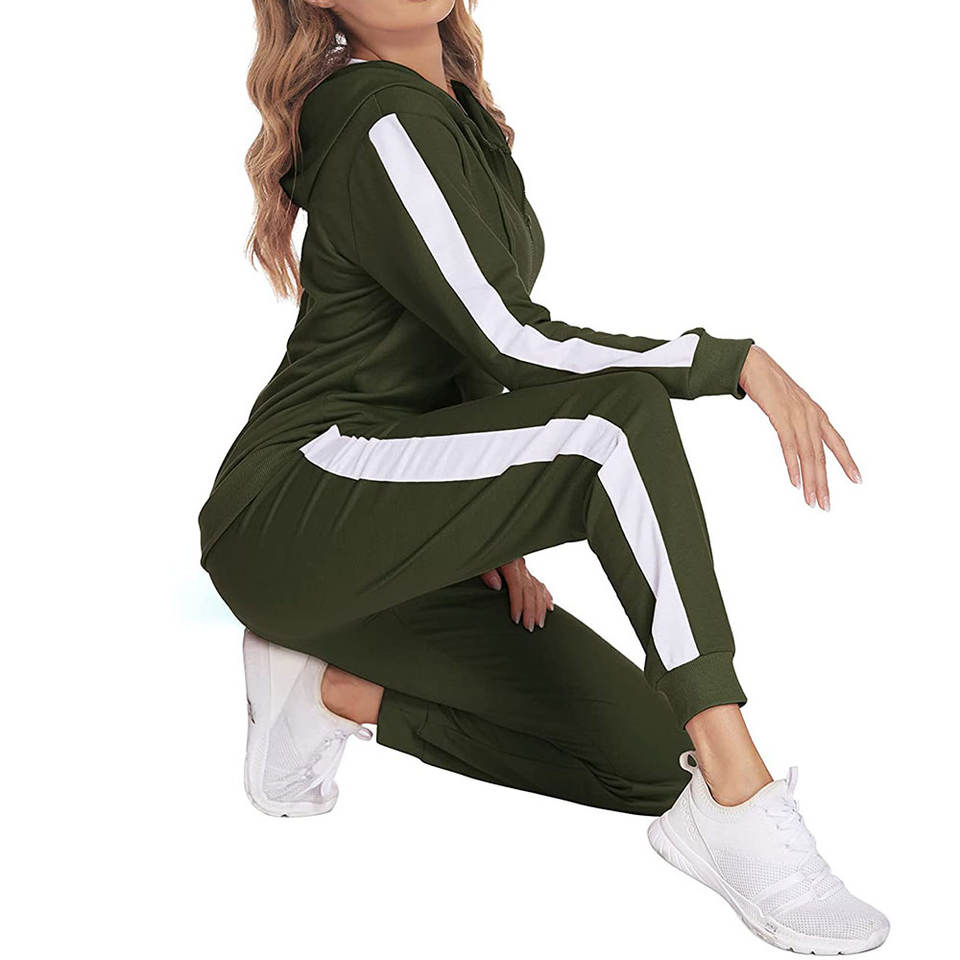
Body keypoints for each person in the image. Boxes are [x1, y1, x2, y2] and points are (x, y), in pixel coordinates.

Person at [199, 2, 888, 953]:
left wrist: (496, 528)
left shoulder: (460, 116)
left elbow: (457, 340)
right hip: (295, 506)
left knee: (653, 763)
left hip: (392, 522)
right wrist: (727, 363)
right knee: (616, 422)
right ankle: (742, 790)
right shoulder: (379, 118)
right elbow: (510, 340)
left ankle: (327, 692)